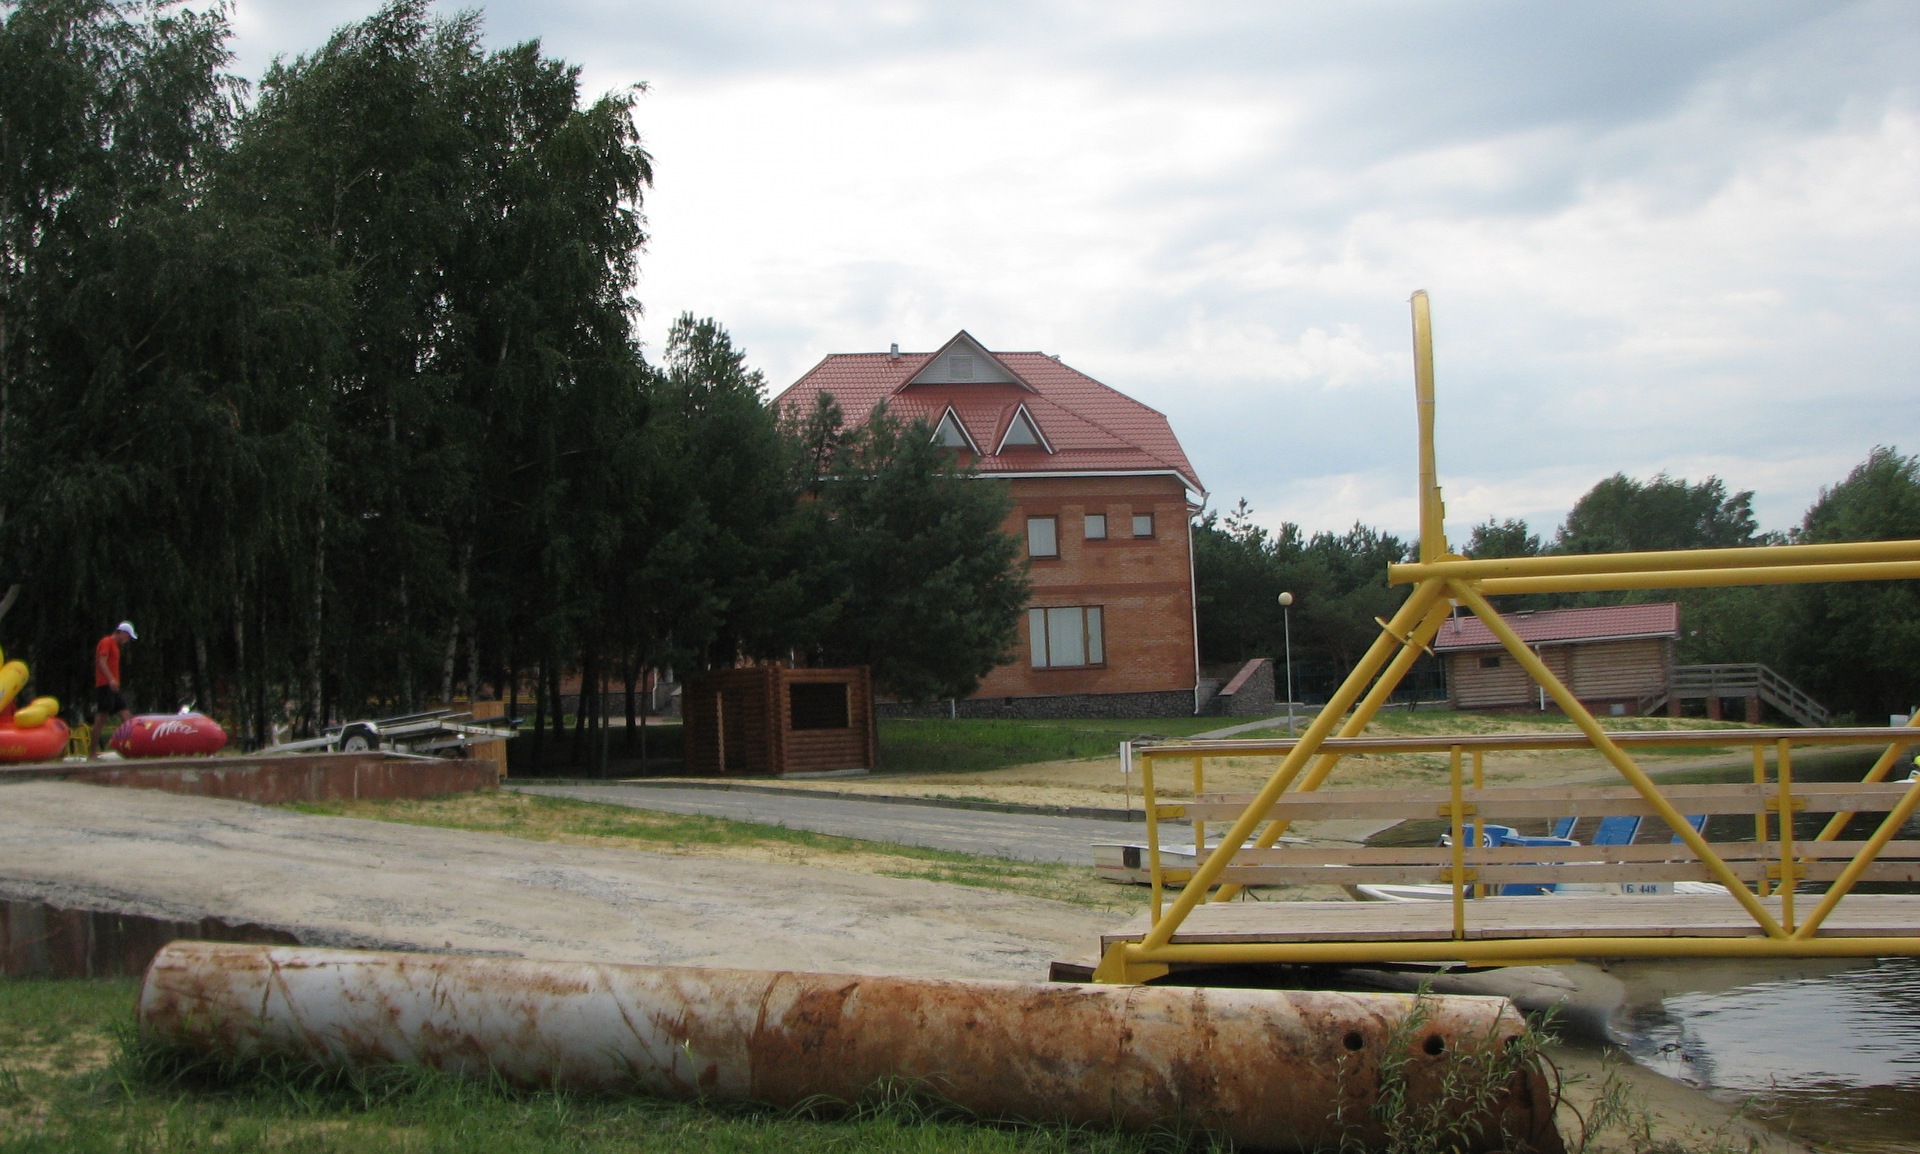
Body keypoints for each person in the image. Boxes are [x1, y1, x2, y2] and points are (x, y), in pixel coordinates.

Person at [91, 621, 136, 756]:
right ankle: (92, 752)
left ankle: (135, 747)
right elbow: (101, 662)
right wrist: (110, 679)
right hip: (105, 685)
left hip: (114, 687)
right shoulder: (107, 642)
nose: (127, 640)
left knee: (127, 715)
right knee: (101, 718)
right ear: (121, 633)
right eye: (127, 637)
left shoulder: (115, 646)